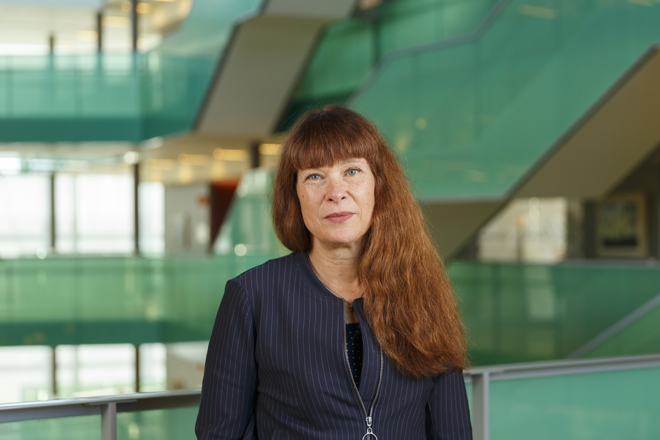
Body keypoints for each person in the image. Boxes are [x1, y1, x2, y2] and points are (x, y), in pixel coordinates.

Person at [195, 106, 472, 440]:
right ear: (294, 195)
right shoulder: (252, 296)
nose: (336, 192)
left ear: (379, 185)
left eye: (352, 171)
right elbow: (219, 434)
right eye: (315, 176)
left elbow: (453, 431)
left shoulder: (422, 291)